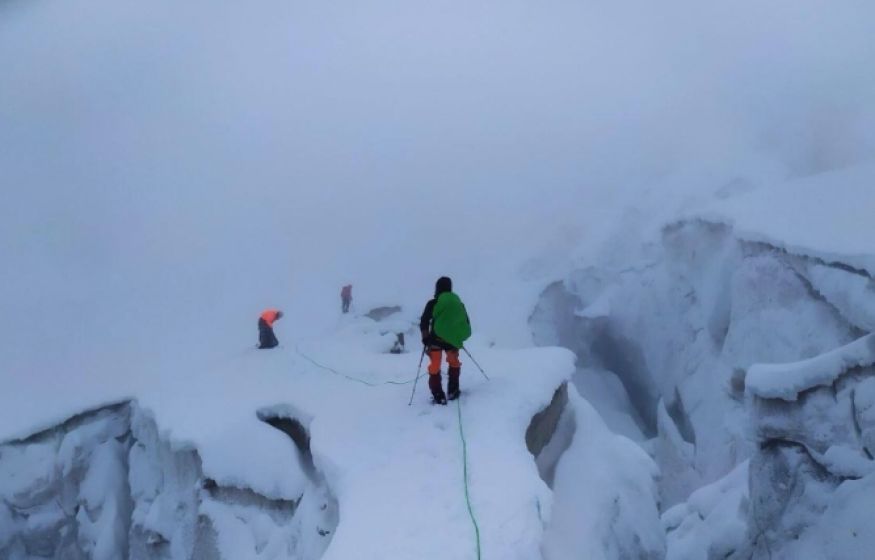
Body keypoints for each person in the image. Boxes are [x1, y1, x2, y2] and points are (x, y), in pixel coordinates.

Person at [420, 276, 471, 404]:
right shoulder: (459, 304)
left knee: (435, 365)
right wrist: (458, 338)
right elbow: (465, 322)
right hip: (451, 340)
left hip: (435, 339)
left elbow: (424, 321)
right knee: (454, 362)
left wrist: (425, 338)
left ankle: (438, 395)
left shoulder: (433, 303)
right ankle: (453, 391)